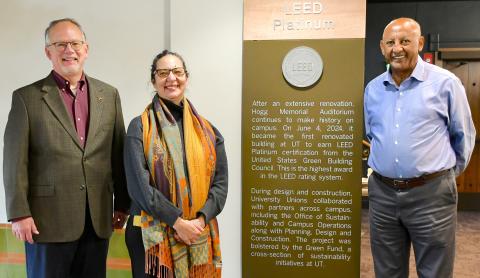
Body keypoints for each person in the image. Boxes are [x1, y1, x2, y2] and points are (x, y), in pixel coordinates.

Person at [3, 18, 130, 278]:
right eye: (60, 44)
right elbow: (14, 161)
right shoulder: (26, 98)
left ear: (86, 49)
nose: (68, 50)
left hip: (97, 219)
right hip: (46, 222)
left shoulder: (110, 94)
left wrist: (123, 204)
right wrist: (18, 214)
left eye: (74, 43)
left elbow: (118, 154)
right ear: (47, 52)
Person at [364, 17, 476, 278]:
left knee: (434, 271)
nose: (397, 48)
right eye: (390, 42)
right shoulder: (373, 89)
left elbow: (464, 136)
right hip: (382, 194)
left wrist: (439, 176)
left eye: (405, 41)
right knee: (387, 272)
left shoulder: (445, 83)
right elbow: (372, 133)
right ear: (382, 47)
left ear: (420, 43)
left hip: (432, 195)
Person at [124, 50, 228, 277]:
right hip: (150, 238)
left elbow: (220, 185)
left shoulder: (209, 132)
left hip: (198, 232)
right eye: (163, 73)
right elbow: (139, 188)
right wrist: (178, 222)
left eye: (177, 72)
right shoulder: (139, 128)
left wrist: (199, 222)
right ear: (154, 80)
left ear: (186, 77)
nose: (171, 78)